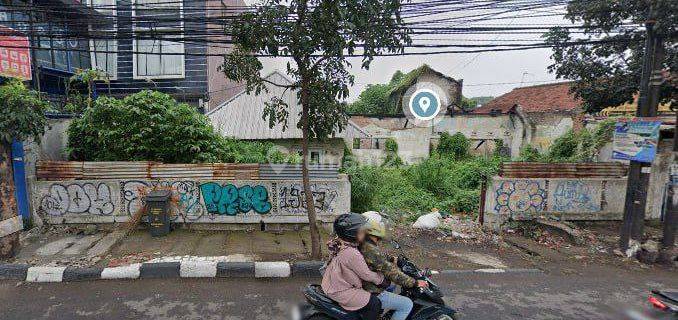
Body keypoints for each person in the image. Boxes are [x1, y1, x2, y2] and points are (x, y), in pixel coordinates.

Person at [321, 213, 390, 320]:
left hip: (332, 282)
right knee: (375, 303)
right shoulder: (351, 253)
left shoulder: (339, 242)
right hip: (340, 290)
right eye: (362, 232)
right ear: (352, 234)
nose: (365, 233)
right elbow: (366, 275)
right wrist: (381, 280)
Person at [359, 217, 428, 320]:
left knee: (391, 286)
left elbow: (379, 257)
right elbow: (391, 272)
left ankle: (378, 314)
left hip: (364, 283)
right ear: (376, 235)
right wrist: (415, 283)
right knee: (407, 304)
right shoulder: (370, 249)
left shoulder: (364, 244)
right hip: (369, 289)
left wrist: (393, 258)